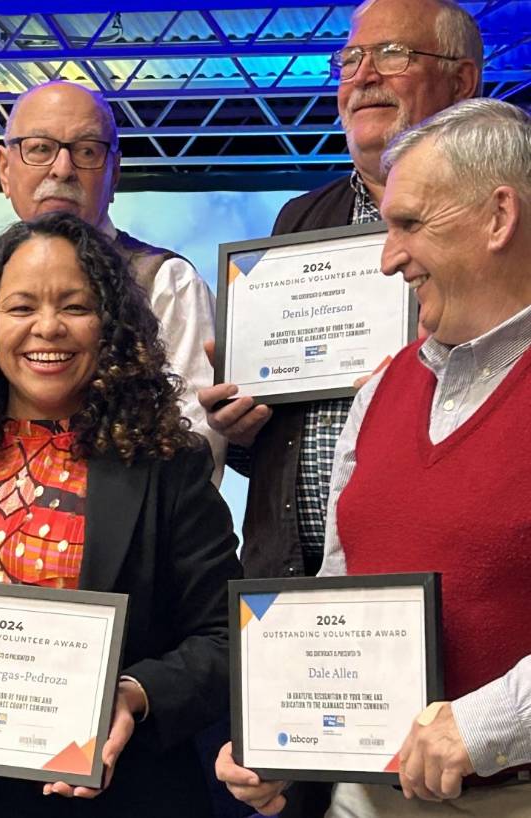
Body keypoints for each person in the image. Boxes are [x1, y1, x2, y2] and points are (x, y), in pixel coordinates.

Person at [0, 212, 242, 817]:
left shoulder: (168, 464)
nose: (47, 329)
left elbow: (223, 638)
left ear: (110, 323)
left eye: (75, 306)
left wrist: (132, 696)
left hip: (118, 795)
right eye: (22, 307)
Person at [217, 98, 531, 817]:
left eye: (409, 225)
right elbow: (339, 587)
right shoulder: (382, 388)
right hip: (367, 797)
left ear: (498, 218)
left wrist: (486, 725)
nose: (387, 259)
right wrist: (281, 737)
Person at [199, 0, 482, 579]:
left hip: (436, 575)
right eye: (350, 59)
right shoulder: (299, 220)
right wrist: (243, 426)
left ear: (462, 81)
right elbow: (281, 446)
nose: (364, 76)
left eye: (392, 54)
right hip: (289, 583)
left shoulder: (498, 221)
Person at [0, 79, 226, 483]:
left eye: (87, 152)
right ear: (5, 170)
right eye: (40, 148)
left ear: (114, 173)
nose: (63, 169)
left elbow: (193, 450)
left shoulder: (166, 283)